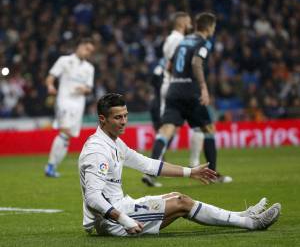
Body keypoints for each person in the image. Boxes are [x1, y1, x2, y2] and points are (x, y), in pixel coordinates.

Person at [78, 93, 281, 236]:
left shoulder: (113, 142)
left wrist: (189, 172)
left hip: (119, 210)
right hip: (113, 220)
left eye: (125, 116)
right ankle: (251, 223)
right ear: (102, 119)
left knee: (177, 197)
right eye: (118, 117)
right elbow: (93, 197)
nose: (124, 121)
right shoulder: (98, 151)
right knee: (182, 202)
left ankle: (241, 216)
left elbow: (149, 165)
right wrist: (124, 219)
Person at [150, 12, 232, 184]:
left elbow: (170, 65)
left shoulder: (183, 42)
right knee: (208, 129)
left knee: (166, 130)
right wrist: (203, 87)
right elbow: (196, 63)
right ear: (209, 27)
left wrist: (178, 80)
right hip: (190, 91)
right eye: (214, 27)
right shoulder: (203, 42)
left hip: (174, 89)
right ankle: (213, 175)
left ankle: (150, 170)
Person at [145, 12, 205, 187]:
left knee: (170, 129)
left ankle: (154, 168)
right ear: (182, 23)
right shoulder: (180, 40)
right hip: (177, 86)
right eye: (188, 22)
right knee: (185, 126)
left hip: (171, 86)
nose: (191, 25)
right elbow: (177, 64)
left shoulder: (170, 39)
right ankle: (189, 164)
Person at [44, 38, 95, 177]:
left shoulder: (89, 68)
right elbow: (51, 76)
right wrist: (50, 86)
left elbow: (89, 88)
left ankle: (52, 167)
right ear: (80, 46)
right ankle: (49, 166)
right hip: (64, 100)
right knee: (65, 131)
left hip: (78, 104)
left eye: (90, 51)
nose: (88, 52)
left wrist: (83, 88)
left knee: (68, 136)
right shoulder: (64, 60)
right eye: (86, 49)